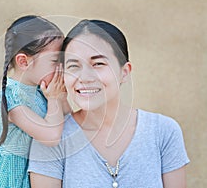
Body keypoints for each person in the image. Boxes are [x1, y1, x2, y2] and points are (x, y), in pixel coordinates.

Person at [28, 19, 190, 188]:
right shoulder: (51, 141)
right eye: (73, 66)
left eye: (98, 64)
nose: (84, 77)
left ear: (124, 72)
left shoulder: (163, 132)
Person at [0, 15, 69, 188]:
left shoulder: (41, 90)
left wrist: (61, 98)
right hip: (10, 178)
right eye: (54, 61)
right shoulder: (9, 98)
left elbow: (68, 122)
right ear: (23, 61)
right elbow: (51, 136)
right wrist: (53, 99)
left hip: (37, 176)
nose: (61, 68)